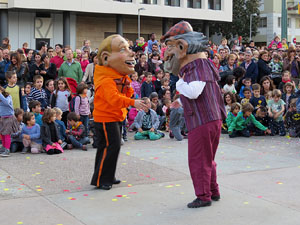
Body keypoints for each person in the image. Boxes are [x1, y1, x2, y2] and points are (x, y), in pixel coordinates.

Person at [162, 21, 226, 208]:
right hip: (212, 118)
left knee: (198, 159)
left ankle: (203, 196)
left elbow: (194, 91)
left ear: (183, 47)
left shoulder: (197, 66)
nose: (167, 55)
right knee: (208, 159)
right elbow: (203, 91)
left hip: (202, 120)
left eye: (170, 48)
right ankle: (213, 191)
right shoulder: (204, 64)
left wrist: (178, 85)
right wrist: (180, 101)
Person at [90, 34, 147, 190]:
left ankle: (107, 176)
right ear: (106, 58)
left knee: (110, 147)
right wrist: (133, 102)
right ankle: (102, 179)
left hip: (113, 117)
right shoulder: (106, 80)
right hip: (105, 118)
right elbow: (114, 99)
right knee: (111, 146)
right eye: (123, 49)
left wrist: (127, 86)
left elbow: (124, 95)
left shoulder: (116, 78)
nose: (131, 53)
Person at [0, 86, 20, 157]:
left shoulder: (8, 97)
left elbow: (6, 103)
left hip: (9, 117)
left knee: (7, 134)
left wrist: (0, 95)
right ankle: (4, 147)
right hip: (2, 118)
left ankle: (7, 149)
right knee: (2, 134)